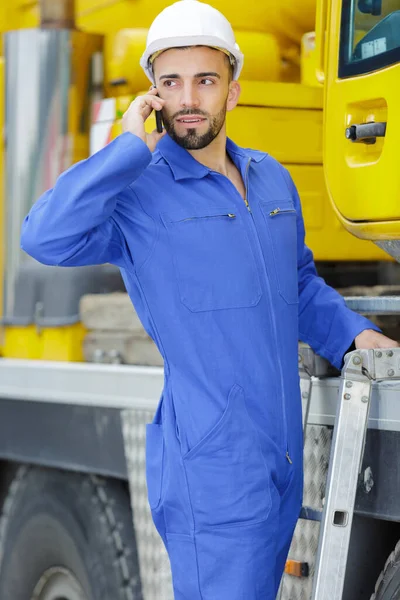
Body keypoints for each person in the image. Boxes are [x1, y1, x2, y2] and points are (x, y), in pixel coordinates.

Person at [20, 1, 398, 598]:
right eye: (170, 82)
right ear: (152, 95)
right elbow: (42, 236)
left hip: (282, 463)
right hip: (212, 475)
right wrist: (125, 149)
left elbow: (295, 284)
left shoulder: (270, 177)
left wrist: (355, 333)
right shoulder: (137, 192)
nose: (188, 97)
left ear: (233, 90)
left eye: (205, 80)